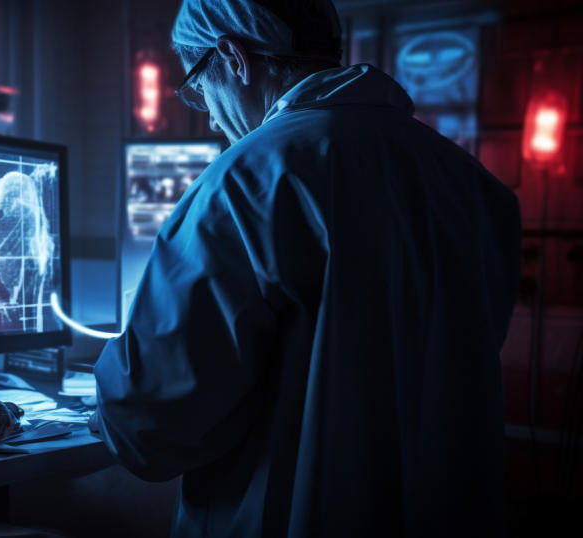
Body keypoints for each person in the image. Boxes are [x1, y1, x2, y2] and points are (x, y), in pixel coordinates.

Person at [90, 0, 522, 536]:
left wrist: (96, 394)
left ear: (234, 58)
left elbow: (150, 421)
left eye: (200, 87)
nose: (210, 113)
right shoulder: (471, 185)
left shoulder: (244, 179)